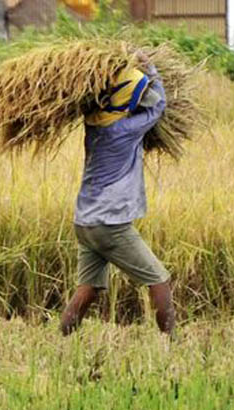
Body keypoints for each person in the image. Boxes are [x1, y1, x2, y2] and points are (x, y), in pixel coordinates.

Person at [60, 52, 176, 338]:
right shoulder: (122, 129)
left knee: (89, 288)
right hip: (110, 224)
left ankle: (63, 342)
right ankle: (172, 346)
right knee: (160, 280)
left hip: (85, 222)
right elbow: (157, 106)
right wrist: (151, 68)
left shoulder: (94, 122)